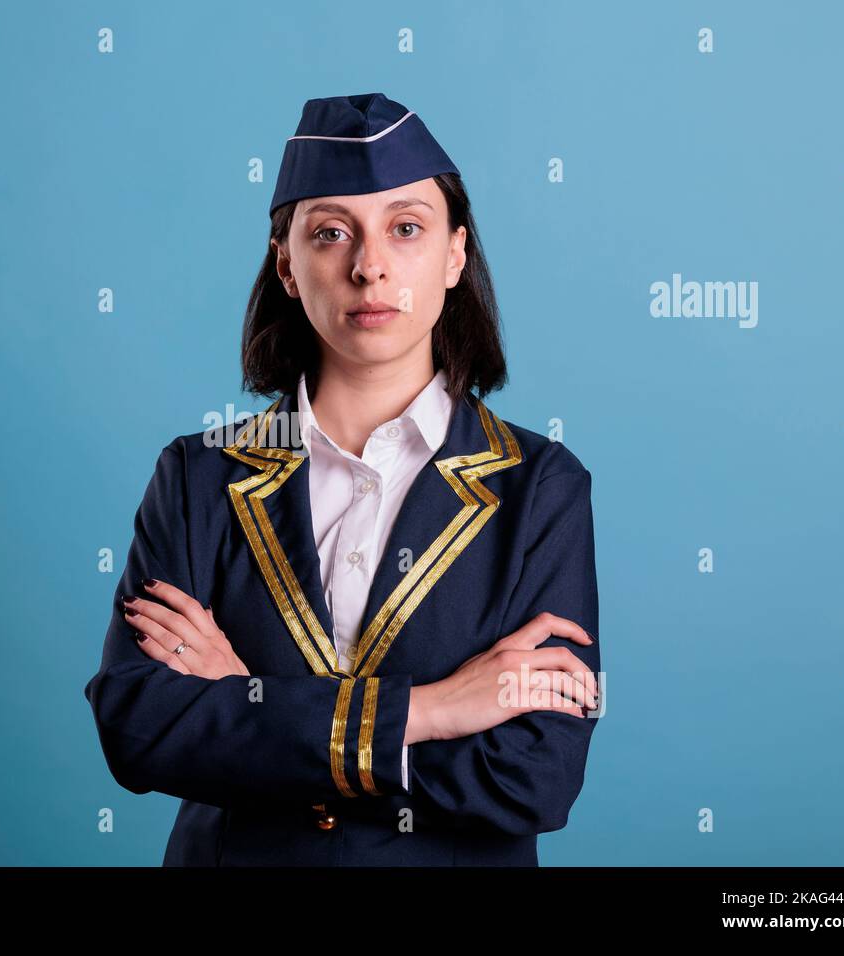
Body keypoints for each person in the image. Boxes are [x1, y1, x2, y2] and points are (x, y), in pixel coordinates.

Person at [84, 92, 601, 866]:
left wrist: (247, 702)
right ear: (286, 263)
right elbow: (141, 726)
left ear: (455, 254)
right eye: (330, 233)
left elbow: (534, 776)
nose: (369, 265)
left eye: (406, 228)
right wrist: (432, 711)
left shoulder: (540, 488)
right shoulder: (198, 478)